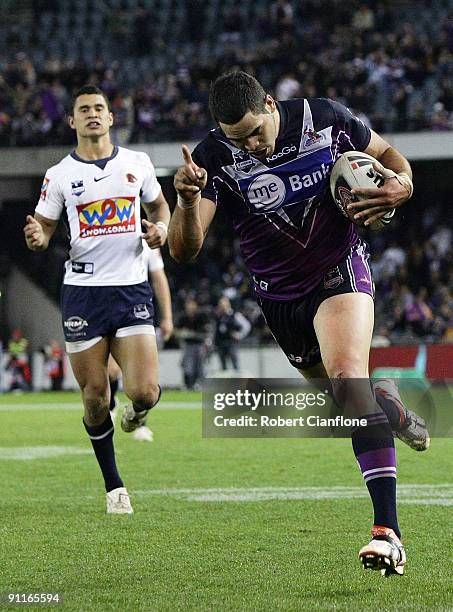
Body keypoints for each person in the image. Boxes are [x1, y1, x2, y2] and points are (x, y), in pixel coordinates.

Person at [169, 71, 429, 575]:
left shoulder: (325, 119)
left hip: (339, 269)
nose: (250, 146)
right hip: (279, 297)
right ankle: (388, 405)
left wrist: (402, 186)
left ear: (270, 103)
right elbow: (185, 250)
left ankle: (388, 533)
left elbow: (392, 158)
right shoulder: (213, 158)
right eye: (236, 138)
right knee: (343, 399)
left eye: (254, 132)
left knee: (348, 377)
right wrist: (183, 201)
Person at [24, 85, 171, 514]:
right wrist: (37, 238)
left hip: (130, 289)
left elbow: (161, 209)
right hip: (83, 293)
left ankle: (139, 415)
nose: (92, 115)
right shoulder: (59, 175)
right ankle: (114, 487)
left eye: (99, 109)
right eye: (83, 110)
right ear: (72, 121)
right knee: (94, 395)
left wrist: (161, 229)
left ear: (111, 117)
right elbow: (45, 230)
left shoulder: (136, 164)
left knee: (143, 391)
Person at [108, 244, 174, 442]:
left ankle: (140, 421)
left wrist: (168, 317)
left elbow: (159, 278)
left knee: (141, 377)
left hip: (136, 311)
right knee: (111, 371)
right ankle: (111, 405)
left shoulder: (146, 240)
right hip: (106, 306)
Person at [176, 298, 210, 389]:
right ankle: (189, 385)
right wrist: (182, 333)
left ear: (195, 306)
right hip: (188, 345)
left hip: (199, 344)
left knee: (201, 366)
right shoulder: (183, 317)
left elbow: (205, 332)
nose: (189, 307)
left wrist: (192, 334)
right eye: (188, 305)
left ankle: (202, 384)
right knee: (188, 366)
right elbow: (176, 331)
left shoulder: (201, 316)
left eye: (191, 305)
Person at [214, 296, 251, 371]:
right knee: (223, 366)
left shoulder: (235, 315)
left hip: (231, 343)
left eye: (223, 304)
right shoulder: (219, 316)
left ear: (228, 304)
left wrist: (239, 335)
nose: (221, 306)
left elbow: (246, 326)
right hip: (221, 344)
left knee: (235, 365)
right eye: (220, 305)